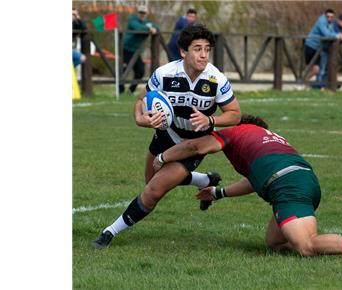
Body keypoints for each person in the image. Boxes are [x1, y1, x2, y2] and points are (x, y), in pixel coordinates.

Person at [149, 115, 342, 259]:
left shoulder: (234, 132)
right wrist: (218, 193)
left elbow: (196, 147)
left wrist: (162, 157)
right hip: (303, 180)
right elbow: (255, 181)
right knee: (274, 243)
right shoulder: (267, 139)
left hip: (287, 185)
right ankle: (312, 236)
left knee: (305, 246)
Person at [92, 24, 242, 249]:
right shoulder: (164, 74)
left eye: (207, 49)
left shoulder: (216, 80)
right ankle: (204, 180)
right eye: (197, 49)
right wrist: (141, 119)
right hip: (165, 135)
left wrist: (210, 120)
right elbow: (140, 101)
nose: (203, 55)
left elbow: (235, 115)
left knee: (153, 191)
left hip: (193, 144)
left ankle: (108, 233)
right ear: (183, 52)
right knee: (151, 183)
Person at [119, 5, 159, 94]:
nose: (142, 15)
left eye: (144, 13)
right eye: (141, 13)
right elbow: (138, 27)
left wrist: (154, 28)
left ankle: (131, 90)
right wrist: (149, 28)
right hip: (126, 49)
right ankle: (120, 91)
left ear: (146, 14)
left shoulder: (148, 22)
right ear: (138, 13)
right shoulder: (132, 20)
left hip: (136, 51)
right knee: (123, 70)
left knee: (140, 71)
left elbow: (157, 28)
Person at [303, 9, 342, 86]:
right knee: (314, 69)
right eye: (328, 16)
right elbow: (326, 33)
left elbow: (331, 33)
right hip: (311, 46)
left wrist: (339, 34)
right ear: (324, 16)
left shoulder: (330, 24)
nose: (329, 18)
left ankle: (306, 83)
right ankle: (303, 81)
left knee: (317, 70)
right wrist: (337, 36)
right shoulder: (321, 21)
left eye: (331, 17)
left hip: (319, 48)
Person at [316, 14, 342, 89]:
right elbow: (332, 34)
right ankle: (318, 85)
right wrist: (339, 35)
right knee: (323, 68)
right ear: (338, 21)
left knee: (331, 68)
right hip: (325, 49)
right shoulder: (334, 25)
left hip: (334, 52)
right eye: (341, 21)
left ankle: (327, 85)